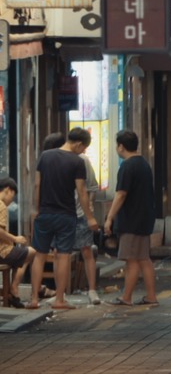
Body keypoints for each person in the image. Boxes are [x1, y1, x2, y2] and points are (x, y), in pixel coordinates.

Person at [27, 126, 98, 310]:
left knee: (39, 255)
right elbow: (82, 192)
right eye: (83, 148)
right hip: (66, 215)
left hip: (45, 213)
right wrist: (90, 218)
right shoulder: (77, 162)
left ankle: (34, 299)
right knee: (63, 256)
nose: (83, 152)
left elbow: (37, 185)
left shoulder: (45, 156)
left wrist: (37, 209)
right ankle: (59, 299)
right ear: (78, 144)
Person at [104, 130, 158, 306]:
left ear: (121, 146)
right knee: (144, 258)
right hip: (144, 218)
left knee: (132, 260)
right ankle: (151, 296)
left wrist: (109, 218)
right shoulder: (144, 164)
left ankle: (126, 297)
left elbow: (121, 195)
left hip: (131, 220)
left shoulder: (127, 166)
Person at [0, 177, 36, 308]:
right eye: (12, 196)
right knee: (31, 252)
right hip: (2, 252)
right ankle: (13, 289)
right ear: (7, 190)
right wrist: (15, 239)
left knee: (20, 255)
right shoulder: (2, 206)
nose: (11, 201)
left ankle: (12, 292)